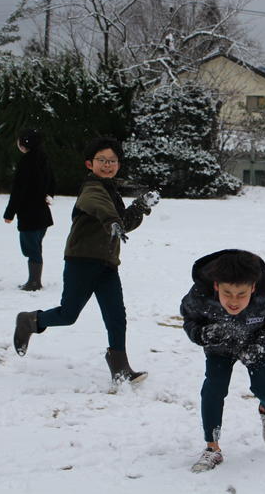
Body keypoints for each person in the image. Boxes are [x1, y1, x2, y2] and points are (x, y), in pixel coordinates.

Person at [12, 137, 160, 384]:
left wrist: (140, 206)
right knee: (68, 315)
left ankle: (120, 368)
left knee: (116, 316)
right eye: (102, 160)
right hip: (82, 261)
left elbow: (122, 222)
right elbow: (98, 206)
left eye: (112, 161)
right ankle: (31, 320)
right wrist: (111, 221)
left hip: (107, 263)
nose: (107, 165)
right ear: (90, 164)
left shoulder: (111, 189)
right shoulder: (91, 188)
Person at [181, 250, 265, 473]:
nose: (233, 301)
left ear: (253, 287)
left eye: (241, 294)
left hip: (257, 345)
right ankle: (212, 447)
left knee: (264, 387)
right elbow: (190, 318)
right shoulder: (201, 293)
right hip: (219, 346)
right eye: (227, 293)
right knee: (214, 388)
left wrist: (261, 345)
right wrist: (203, 334)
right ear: (216, 286)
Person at [3, 129, 56, 291]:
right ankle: (34, 280)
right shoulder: (43, 159)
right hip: (42, 213)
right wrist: (48, 195)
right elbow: (52, 180)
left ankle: (34, 282)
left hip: (29, 214)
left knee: (30, 248)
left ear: (24, 144)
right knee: (36, 246)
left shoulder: (26, 163)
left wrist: (9, 213)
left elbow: (18, 191)